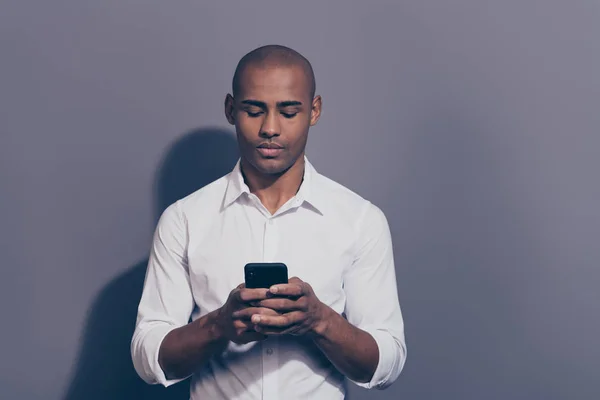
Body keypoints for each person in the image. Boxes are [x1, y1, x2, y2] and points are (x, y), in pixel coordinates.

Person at [131, 44, 406, 400]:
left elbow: (386, 365)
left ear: (314, 110)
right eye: (253, 110)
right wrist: (219, 325)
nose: (270, 128)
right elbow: (148, 360)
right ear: (231, 110)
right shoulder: (184, 219)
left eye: (289, 112)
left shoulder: (359, 220)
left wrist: (319, 321)